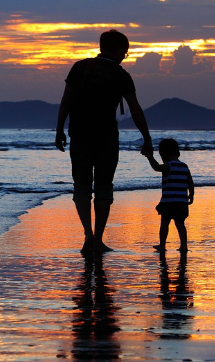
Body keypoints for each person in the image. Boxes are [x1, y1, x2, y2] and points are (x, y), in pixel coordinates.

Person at [55, 29, 153, 254]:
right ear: (118, 49)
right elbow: (135, 110)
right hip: (106, 137)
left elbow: (66, 101)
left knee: (81, 186)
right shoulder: (120, 75)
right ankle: (97, 239)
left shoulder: (79, 68)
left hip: (79, 134)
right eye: (125, 53)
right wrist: (147, 139)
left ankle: (88, 236)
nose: (123, 57)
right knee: (103, 187)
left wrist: (59, 129)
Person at [146, 138, 194, 252]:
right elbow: (190, 182)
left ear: (163, 154)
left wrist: (149, 157)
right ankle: (183, 245)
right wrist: (191, 194)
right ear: (177, 152)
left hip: (168, 202)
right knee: (180, 224)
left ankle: (162, 245)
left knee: (164, 224)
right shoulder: (184, 166)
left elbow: (157, 167)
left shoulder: (168, 166)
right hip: (181, 202)